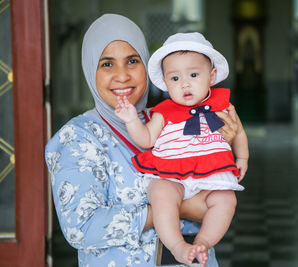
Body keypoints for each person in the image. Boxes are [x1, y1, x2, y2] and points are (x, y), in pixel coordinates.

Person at [45, 14, 240, 267]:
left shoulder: (170, 120)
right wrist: (176, 208)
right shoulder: (78, 138)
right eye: (107, 64)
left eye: (132, 61)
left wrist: (226, 141)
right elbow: (80, 227)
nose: (122, 76)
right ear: (90, 68)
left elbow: (214, 190)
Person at [114, 32, 249, 266]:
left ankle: (203, 241)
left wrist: (243, 156)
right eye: (175, 79)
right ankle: (177, 246)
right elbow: (145, 139)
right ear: (165, 83)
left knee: (226, 199)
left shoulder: (222, 105)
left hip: (210, 174)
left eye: (194, 75)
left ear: (212, 75)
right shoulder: (164, 111)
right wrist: (131, 120)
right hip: (171, 172)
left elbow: (237, 131)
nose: (184, 84)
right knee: (161, 195)